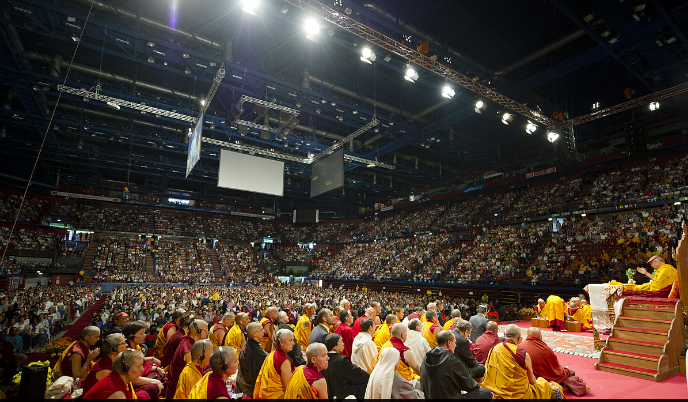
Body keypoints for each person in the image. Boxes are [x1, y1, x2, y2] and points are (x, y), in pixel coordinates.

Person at [482, 324, 563, 399]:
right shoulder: (523, 354)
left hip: (497, 390)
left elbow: (489, 372)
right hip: (519, 394)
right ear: (519, 337)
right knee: (543, 383)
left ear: (504, 334)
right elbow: (532, 380)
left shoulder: (494, 349)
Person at [420, 330, 493, 399]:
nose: (455, 345)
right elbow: (470, 385)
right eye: (455, 343)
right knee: (486, 392)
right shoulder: (451, 360)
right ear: (449, 343)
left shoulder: (426, 357)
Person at [521, 327, 589, 395]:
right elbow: (554, 367)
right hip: (542, 378)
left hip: (526, 378)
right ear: (540, 337)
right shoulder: (545, 349)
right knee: (568, 372)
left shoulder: (520, 346)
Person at [166, 319, 208, 399]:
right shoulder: (189, 349)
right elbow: (192, 374)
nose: (207, 332)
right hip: (179, 389)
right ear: (197, 332)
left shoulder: (189, 341)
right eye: (205, 330)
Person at [321, 334, 369, 400]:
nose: (343, 344)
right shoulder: (341, 360)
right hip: (342, 393)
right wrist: (370, 377)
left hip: (329, 393)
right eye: (341, 342)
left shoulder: (324, 358)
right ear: (334, 347)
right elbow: (357, 374)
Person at [253, 329, 296, 399]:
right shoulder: (284, 362)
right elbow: (288, 388)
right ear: (282, 343)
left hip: (265, 396)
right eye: (290, 340)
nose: (293, 343)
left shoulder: (271, 354)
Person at [235, 322, 268, 396]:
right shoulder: (253, 350)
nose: (264, 331)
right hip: (247, 388)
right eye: (261, 330)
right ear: (255, 334)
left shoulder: (252, 344)